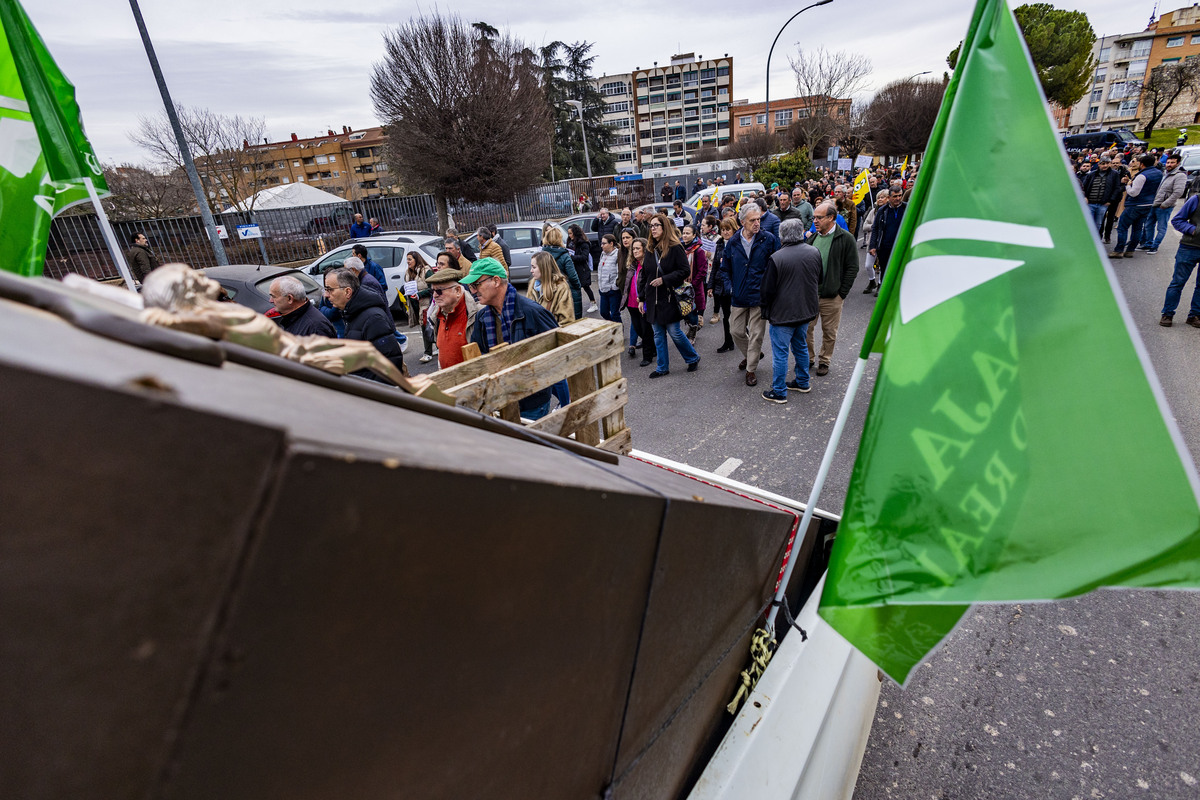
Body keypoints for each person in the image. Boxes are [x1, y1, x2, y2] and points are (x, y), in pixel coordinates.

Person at [463, 258, 559, 419]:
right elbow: (478, 357)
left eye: (476, 284)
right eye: (471, 286)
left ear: (495, 281)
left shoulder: (532, 312)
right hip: (498, 400)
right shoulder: (482, 318)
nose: (473, 291)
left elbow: (558, 355)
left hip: (530, 400)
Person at [760, 219, 823, 403]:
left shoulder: (777, 257)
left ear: (782, 236)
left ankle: (779, 391)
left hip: (783, 314)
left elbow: (767, 291)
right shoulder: (814, 252)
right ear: (801, 232)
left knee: (780, 354)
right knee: (801, 346)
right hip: (806, 310)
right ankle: (803, 381)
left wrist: (766, 310)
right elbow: (820, 279)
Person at [719, 203, 778, 386]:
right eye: (752, 220)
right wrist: (729, 287)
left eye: (759, 219)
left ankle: (750, 369)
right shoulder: (734, 242)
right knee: (735, 331)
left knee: (756, 334)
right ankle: (752, 354)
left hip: (760, 296)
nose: (757, 223)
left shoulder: (768, 239)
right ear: (742, 222)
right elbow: (725, 268)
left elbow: (776, 265)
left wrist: (770, 288)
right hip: (739, 295)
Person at [640, 214, 700, 378]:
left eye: (656, 225)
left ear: (664, 226)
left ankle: (692, 357)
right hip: (653, 299)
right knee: (658, 335)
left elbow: (685, 271)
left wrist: (664, 280)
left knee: (674, 332)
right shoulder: (650, 249)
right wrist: (641, 298)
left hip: (669, 298)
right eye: (651, 226)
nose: (653, 228)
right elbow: (644, 275)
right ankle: (662, 367)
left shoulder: (675, 247)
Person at [804, 202, 859, 377]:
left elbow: (852, 267)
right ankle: (809, 358)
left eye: (819, 217)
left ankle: (824, 361)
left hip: (832, 296)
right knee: (806, 329)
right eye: (814, 217)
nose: (815, 221)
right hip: (811, 294)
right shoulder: (812, 238)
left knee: (829, 331)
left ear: (831, 218)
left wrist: (841, 293)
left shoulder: (845, 238)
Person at [323, 267, 406, 380]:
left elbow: (390, 364)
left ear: (347, 292)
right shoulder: (351, 313)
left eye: (329, 289)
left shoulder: (373, 319)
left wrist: (365, 390)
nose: (326, 295)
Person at [1160, 190, 1200, 328]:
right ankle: (1167, 314)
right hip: (1189, 247)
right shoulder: (1196, 199)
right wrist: (1193, 230)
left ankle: (1194, 315)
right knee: (1178, 282)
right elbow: (1177, 220)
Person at [1112, 154, 1162, 259]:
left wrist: (1128, 185)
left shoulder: (1142, 175)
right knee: (1137, 228)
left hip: (1135, 204)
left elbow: (1134, 192)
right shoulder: (1158, 173)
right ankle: (1130, 250)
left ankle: (1119, 250)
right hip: (1148, 204)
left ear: (1142, 164)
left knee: (1122, 227)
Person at [427, 268, 477, 369]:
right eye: (432, 291)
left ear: (458, 290)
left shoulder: (475, 314)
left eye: (439, 291)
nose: (435, 295)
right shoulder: (437, 316)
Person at [1141, 152, 1186, 253]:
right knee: (1148, 224)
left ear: (1178, 163)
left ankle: (1155, 246)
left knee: (1161, 227)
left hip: (1165, 206)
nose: (1169, 164)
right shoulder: (1165, 173)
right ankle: (1148, 244)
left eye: (1172, 163)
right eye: (1168, 162)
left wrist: (1165, 204)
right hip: (1155, 203)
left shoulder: (1180, 176)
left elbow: (1178, 193)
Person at [623, 238, 657, 366]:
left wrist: (643, 299)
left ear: (644, 249)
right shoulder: (633, 264)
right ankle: (653, 348)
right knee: (638, 328)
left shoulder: (647, 265)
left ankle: (647, 356)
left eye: (638, 248)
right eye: (633, 249)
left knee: (646, 329)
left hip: (643, 302)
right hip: (631, 303)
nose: (635, 251)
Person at [268, 275, 335, 337]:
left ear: (289, 298)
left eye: (273, 296)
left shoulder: (315, 327)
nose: (270, 300)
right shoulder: (291, 319)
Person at [869, 189, 907, 295]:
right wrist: (872, 246)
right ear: (889, 197)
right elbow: (875, 228)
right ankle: (887, 293)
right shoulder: (882, 211)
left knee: (902, 270)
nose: (898, 198)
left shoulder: (907, 208)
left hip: (902, 246)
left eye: (900, 195)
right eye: (895, 196)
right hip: (885, 247)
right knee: (885, 271)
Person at [541, 225, 583, 319]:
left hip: (548, 290)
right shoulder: (564, 256)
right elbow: (572, 276)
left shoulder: (542, 255)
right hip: (566, 290)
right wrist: (577, 287)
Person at [403, 250, 437, 363]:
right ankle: (437, 346)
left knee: (426, 326)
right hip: (415, 304)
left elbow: (432, 287)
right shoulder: (408, 273)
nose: (408, 262)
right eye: (407, 259)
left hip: (426, 303)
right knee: (427, 327)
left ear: (416, 259)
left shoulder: (426, 271)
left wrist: (419, 294)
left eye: (410, 259)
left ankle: (428, 353)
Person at [527, 251, 576, 326]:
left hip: (551, 335)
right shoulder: (532, 285)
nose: (531, 271)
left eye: (534, 267)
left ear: (544, 268)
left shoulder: (561, 288)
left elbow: (567, 321)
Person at [680, 223, 708, 340]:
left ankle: (692, 333)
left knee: (692, 310)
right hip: (681, 286)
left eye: (688, 233)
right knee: (684, 311)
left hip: (694, 287)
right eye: (684, 233)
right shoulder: (681, 248)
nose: (685, 236)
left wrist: (693, 284)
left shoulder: (698, 251)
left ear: (694, 235)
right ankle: (693, 327)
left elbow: (703, 270)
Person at [1081, 157, 1122, 233]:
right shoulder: (1092, 174)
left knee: (1098, 224)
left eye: (1107, 163)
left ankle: (1094, 241)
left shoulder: (1114, 174)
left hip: (1103, 203)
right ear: (1099, 164)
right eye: (1103, 164)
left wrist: (1110, 200)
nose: (1105, 165)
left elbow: (1117, 188)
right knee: (1088, 223)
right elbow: (1084, 187)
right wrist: (1085, 197)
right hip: (1090, 203)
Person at [566, 223, 597, 313]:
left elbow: (584, 257)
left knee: (586, 286)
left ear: (575, 233)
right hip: (573, 267)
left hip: (582, 269)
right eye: (568, 233)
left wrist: (571, 257)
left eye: (571, 233)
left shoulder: (584, 243)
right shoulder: (570, 242)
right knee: (574, 287)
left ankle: (593, 303)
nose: (569, 235)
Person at [597, 233, 623, 324]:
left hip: (613, 291)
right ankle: (613, 327)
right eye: (601, 243)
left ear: (611, 243)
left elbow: (619, 272)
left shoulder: (617, 254)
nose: (601, 246)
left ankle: (619, 331)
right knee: (603, 312)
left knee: (615, 314)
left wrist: (614, 286)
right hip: (603, 289)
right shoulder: (603, 254)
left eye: (604, 243)